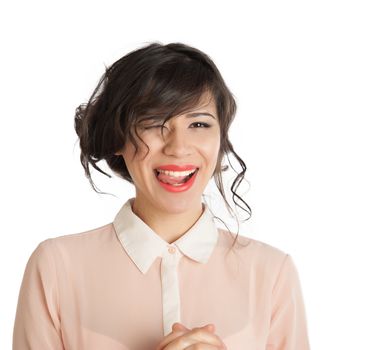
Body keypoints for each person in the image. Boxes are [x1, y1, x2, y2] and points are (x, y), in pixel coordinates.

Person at [12, 42, 311, 349]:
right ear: (117, 138)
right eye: (154, 123)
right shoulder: (57, 268)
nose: (178, 147)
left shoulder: (272, 273)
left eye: (198, 124)